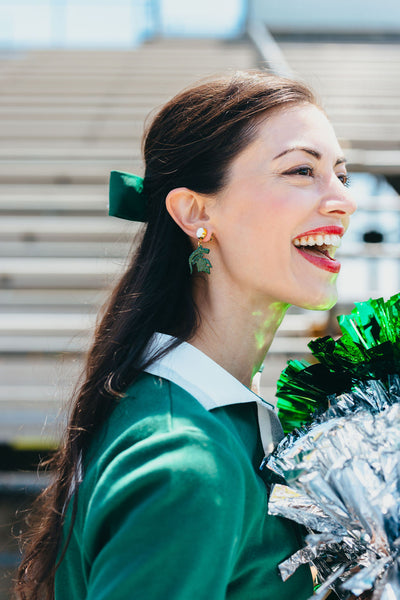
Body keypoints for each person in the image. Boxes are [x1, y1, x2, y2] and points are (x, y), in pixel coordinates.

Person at [15, 70, 356, 600]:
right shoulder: (185, 462)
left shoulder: (213, 415)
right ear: (196, 212)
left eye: (341, 175)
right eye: (300, 171)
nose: (342, 201)